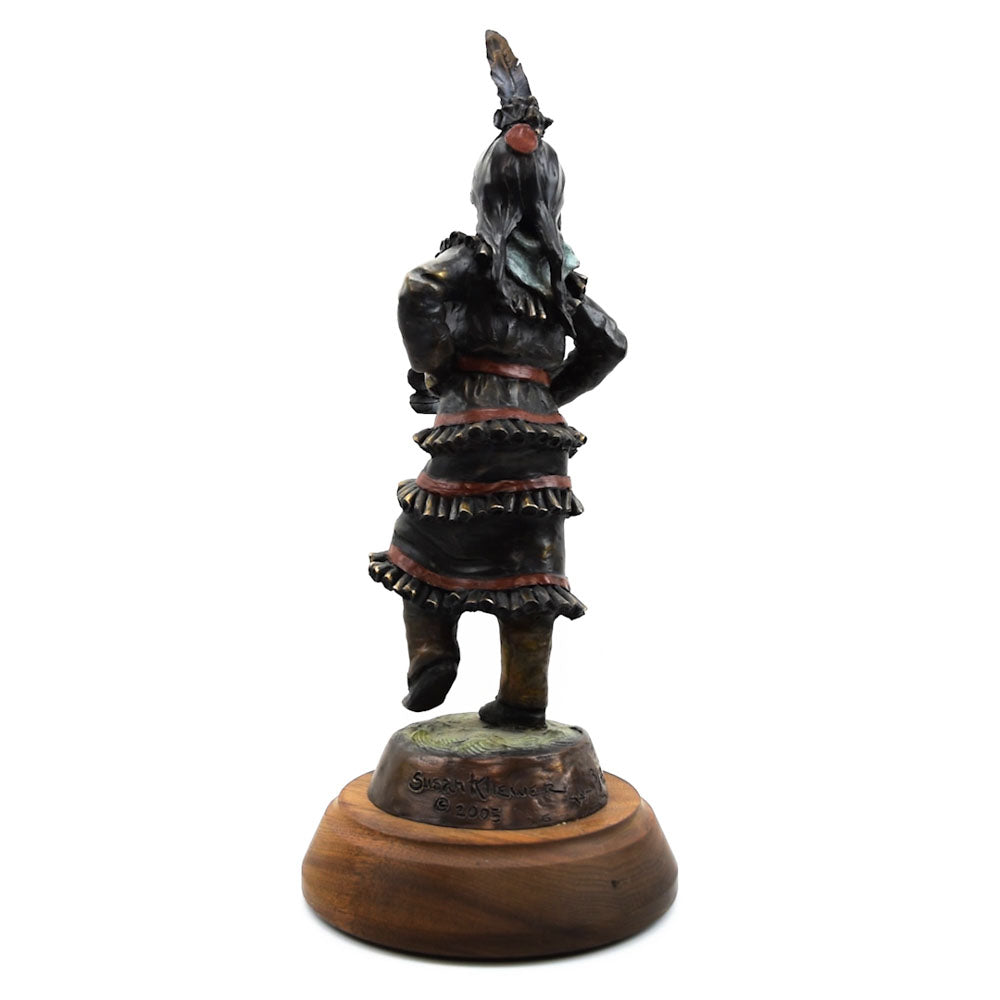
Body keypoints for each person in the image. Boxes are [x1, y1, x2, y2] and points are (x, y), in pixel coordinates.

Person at [369, 31, 626, 728]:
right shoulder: (561, 279)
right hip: (542, 450)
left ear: (484, 188)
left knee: (420, 542)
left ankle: (431, 650)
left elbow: (418, 288)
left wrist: (437, 366)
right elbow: (609, 342)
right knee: (531, 566)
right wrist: (544, 397)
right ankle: (523, 698)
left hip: (470, 428)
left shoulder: (473, 261)